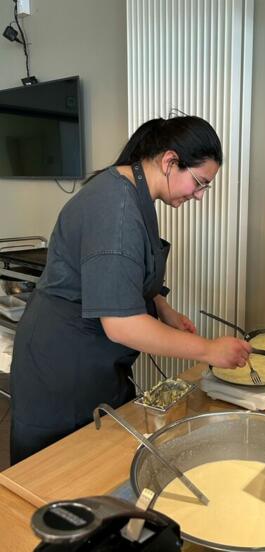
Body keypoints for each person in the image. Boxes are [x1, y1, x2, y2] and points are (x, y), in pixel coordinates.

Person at [10, 115, 251, 464]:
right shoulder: (116, 207)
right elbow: (122, 325)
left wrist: (164, 309)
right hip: (63, 362)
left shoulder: (132, 194)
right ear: (170, 161)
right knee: (57, 470)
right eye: (199, 183)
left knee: (102, 459)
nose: (199, 195)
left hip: (96, 355)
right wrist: (209, 350)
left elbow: (124, 272)